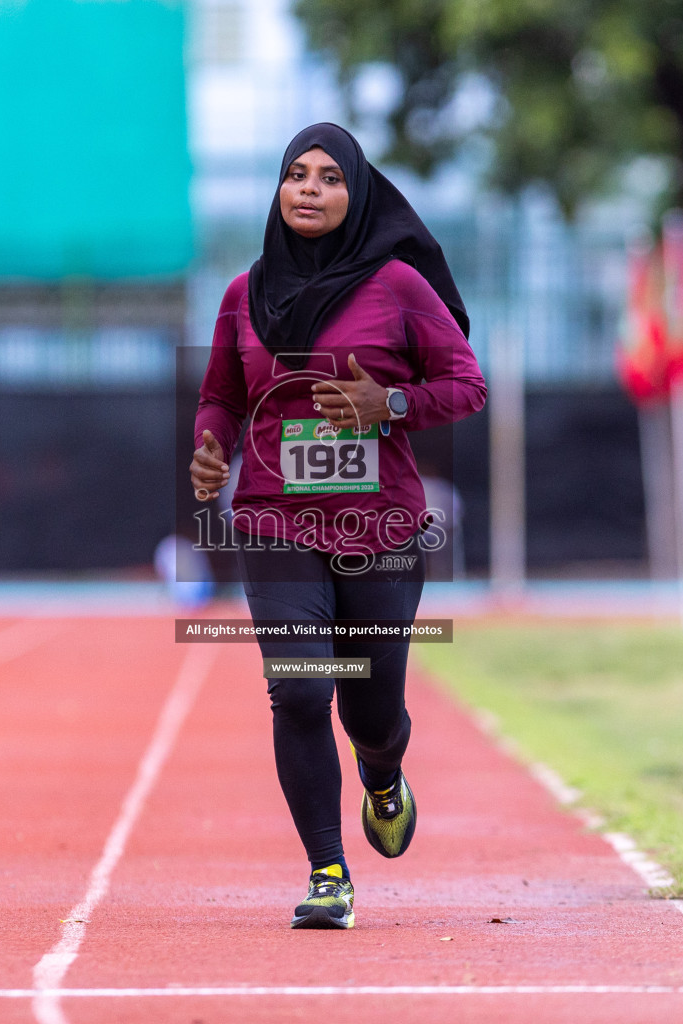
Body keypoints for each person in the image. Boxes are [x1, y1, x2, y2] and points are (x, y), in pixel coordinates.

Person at [190, 124, 486, 930]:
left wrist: (386, 403)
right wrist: (210, 448)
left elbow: (465, 385)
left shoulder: (396, 287)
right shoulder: (243, 296)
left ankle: (383, 772)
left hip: (380, 524)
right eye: (295, 175)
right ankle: (328, 872)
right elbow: (221, 394)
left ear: (356, 196)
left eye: (329, 177)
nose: (309, 189)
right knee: (298, 690)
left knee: (370, 710)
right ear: (278, 193)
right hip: (274, 519)